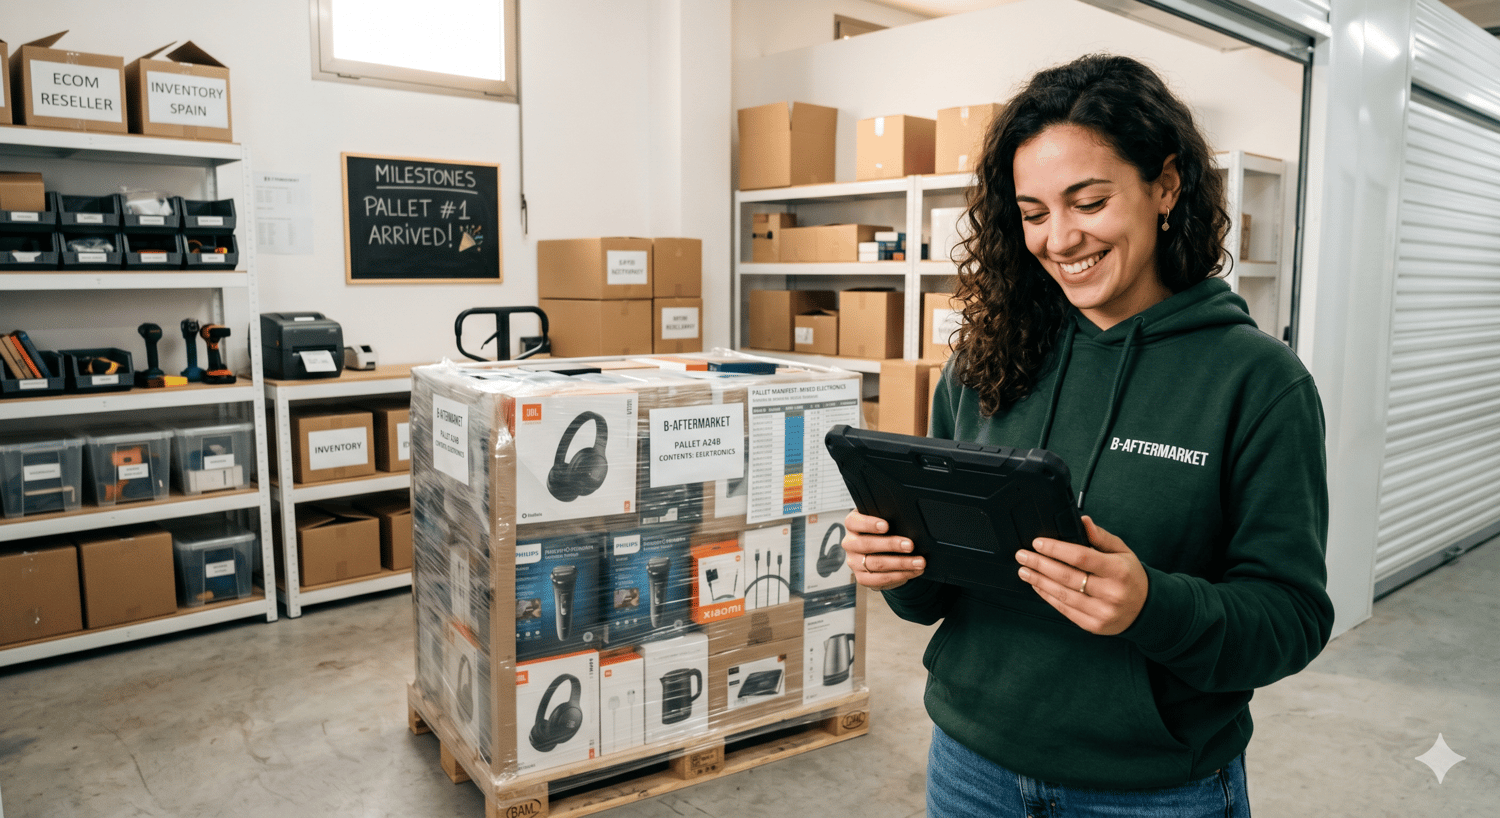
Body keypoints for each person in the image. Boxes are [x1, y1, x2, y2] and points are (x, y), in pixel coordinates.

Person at [842, 53, 1333, 816]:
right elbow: (935, 598)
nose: (1060, 239)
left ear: (1165, 186)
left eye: (1089, 201)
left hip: (1154, 789)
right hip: (972, 768)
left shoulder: (1258, 383)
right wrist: (898, 565)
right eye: (1034, 214)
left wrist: (1151, 606)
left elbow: (1292, 619)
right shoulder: (986, 359)